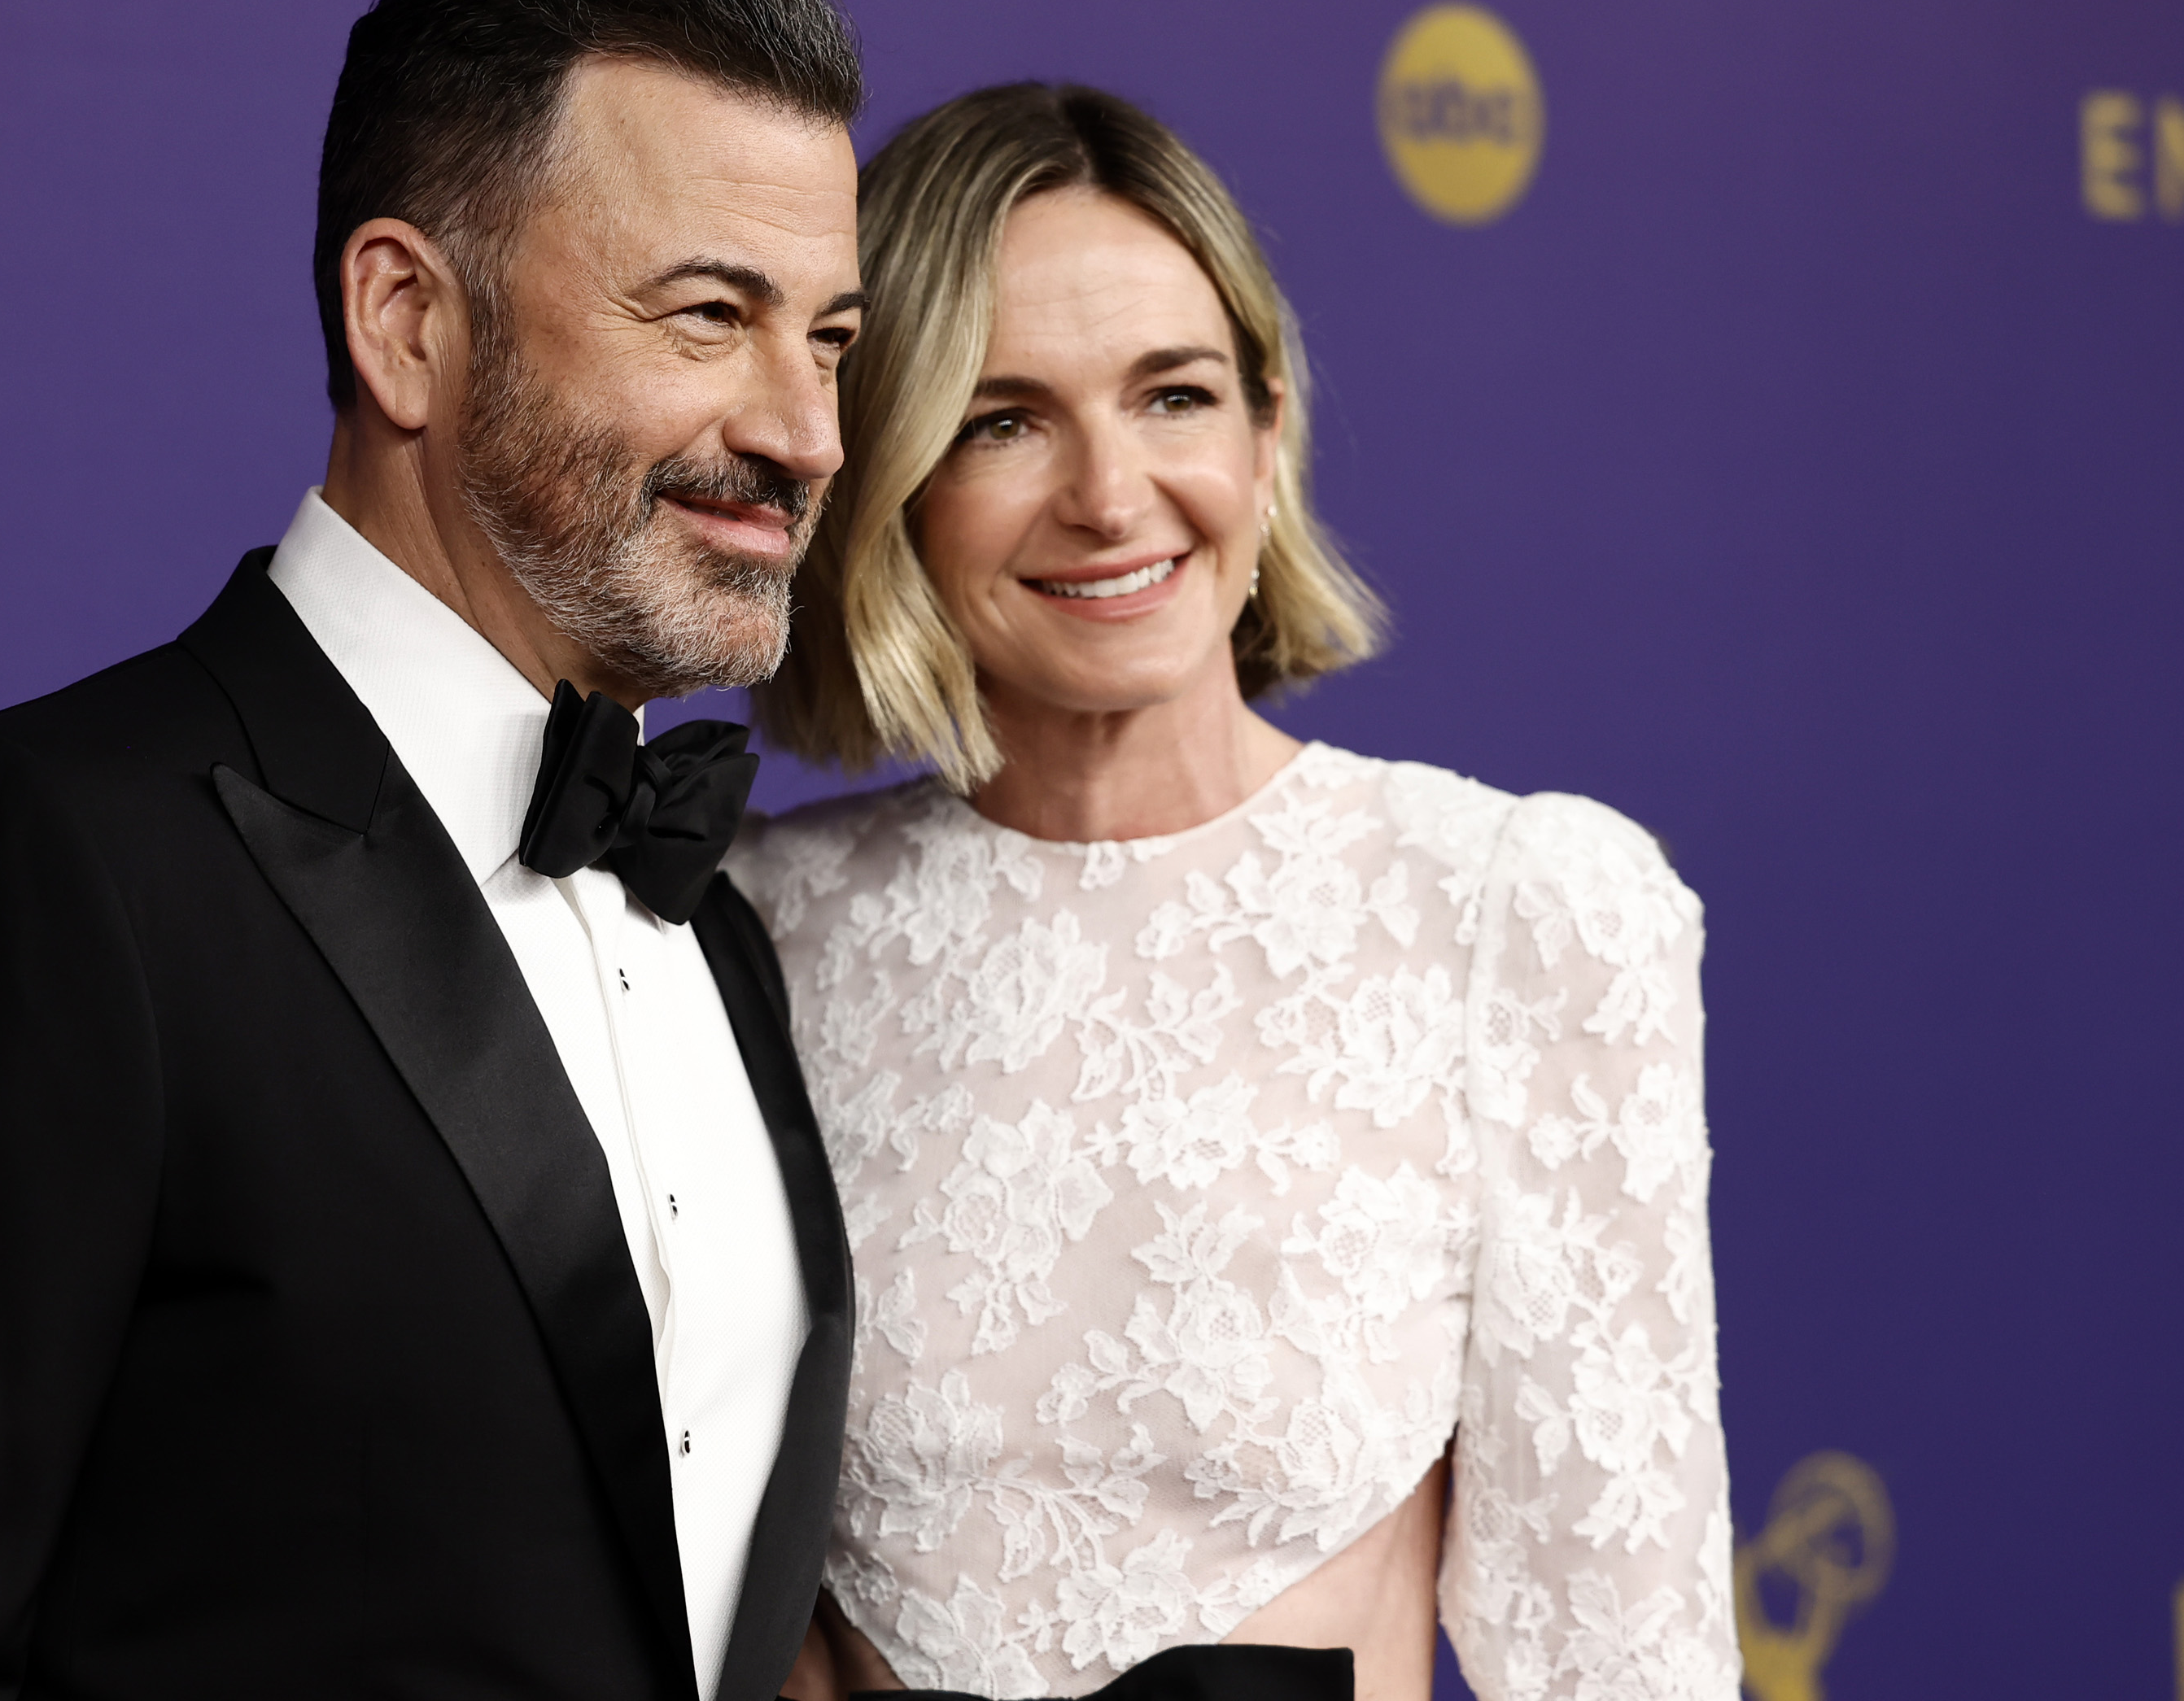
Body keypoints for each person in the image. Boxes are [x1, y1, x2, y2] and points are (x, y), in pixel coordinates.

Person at [0, 0, 867, 1701]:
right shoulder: (27, 870)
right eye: (710, 315)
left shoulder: (721, 930)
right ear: (405, 323)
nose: (807, 429)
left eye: (831, 339)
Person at [737, 85, 1736, 1701]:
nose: (1112, 496)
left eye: (1175, 396)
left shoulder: (1519, 911)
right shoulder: (742, 936)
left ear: (1270, 439)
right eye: (1003, 419)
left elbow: (1622, 1656)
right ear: (886, 483)